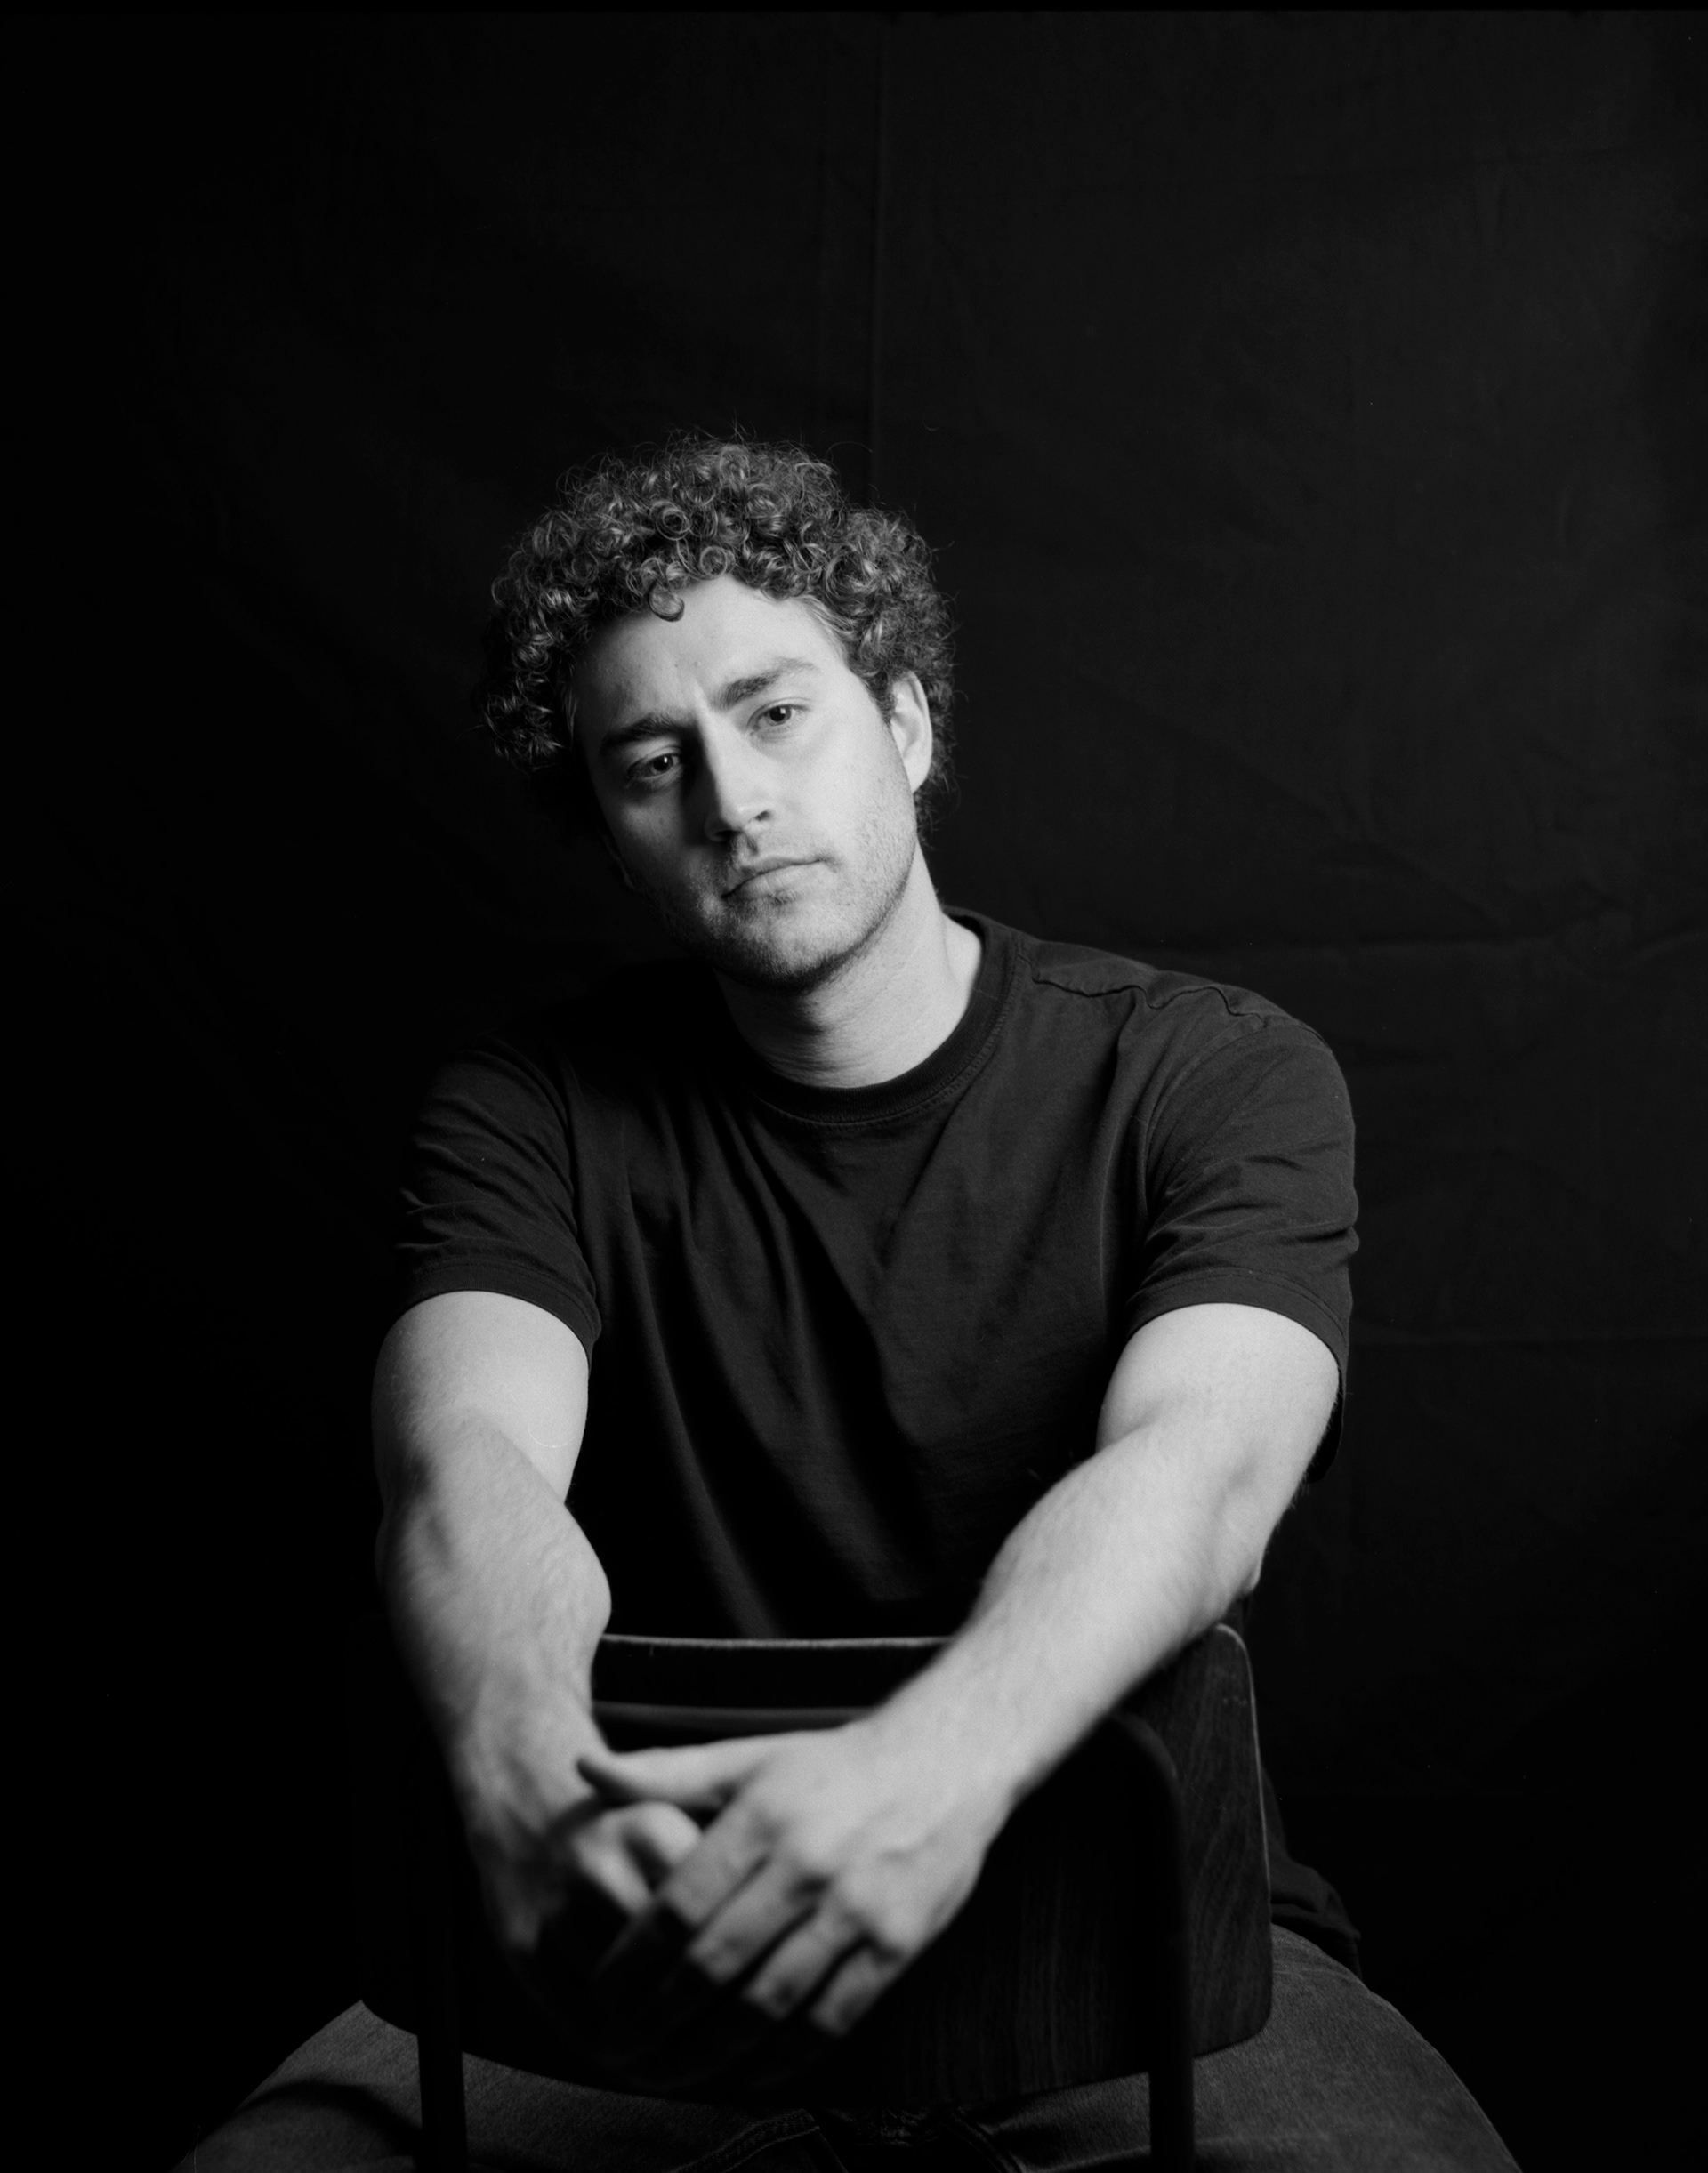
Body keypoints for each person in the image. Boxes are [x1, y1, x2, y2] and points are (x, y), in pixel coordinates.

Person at [184, 438, 1517, 2170]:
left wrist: (930, 1773)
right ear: (610, 832)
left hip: (1124, 1920)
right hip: (646, 1908)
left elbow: (1201, 1477)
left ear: (905, 722)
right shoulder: (531, 1111)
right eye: (652, 762)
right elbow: (462, 1471)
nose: (730, 799)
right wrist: (517, 1765)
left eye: (777, 713)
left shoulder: (1212, 1073)